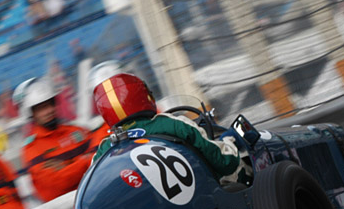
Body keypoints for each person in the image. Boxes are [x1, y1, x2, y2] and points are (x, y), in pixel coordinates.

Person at [92, 73, 240, 178]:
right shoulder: (170, 124)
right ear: (142, 96)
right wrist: (230, 141)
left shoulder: (104, 149)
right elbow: (225, 163)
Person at [18, 78, 92, 202]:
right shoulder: (31, 149)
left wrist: (67, 165)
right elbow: (58, 183)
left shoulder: (77, 130)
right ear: (30, 113)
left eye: (49, 105)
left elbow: (102, 156)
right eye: (41, 108)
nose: (48, 111)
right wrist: (85, 160)